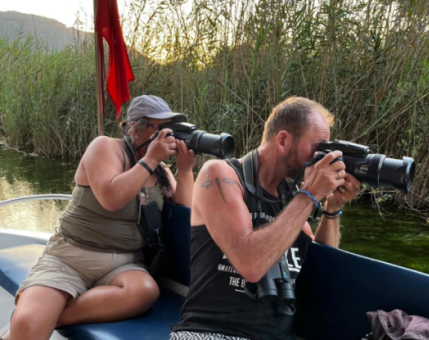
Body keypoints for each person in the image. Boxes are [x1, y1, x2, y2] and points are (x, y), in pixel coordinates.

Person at [170, 96, 361, 340]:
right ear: (283, 140)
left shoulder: (289, 199)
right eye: (318, 148)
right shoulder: (220, 175)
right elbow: (251, 265)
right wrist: (310, 194)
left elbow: (320, 262)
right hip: (211, 332)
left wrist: (331, 207)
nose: (322, 158)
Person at [8, 95, 196, 340]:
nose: (167, 135)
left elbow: (184, 212)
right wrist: (149, 159)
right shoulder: (106, 147)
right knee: (27, 327)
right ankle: (32, 320)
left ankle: (46, 316)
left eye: (170, 128)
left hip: (125, 262)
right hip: (71, 257)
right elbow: (111, 198)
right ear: (134, 127)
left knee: (144, 291)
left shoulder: (161, 171)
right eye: (158, 128)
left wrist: (184, 169)